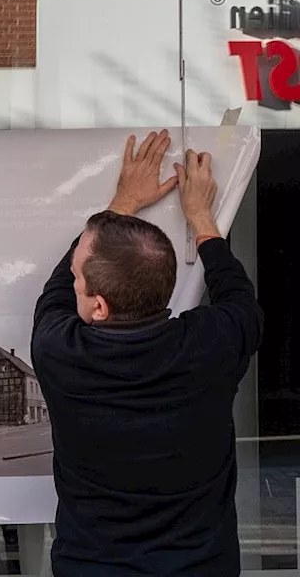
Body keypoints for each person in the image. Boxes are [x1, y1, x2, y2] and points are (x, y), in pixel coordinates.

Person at [31, 129, 265, 576]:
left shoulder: (60, 350)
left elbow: (55, 291)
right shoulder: (210, 344)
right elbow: (238, 296)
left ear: (98, 306)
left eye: (82, 277)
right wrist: (200, 218)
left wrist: (122, 202)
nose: (73, 279)